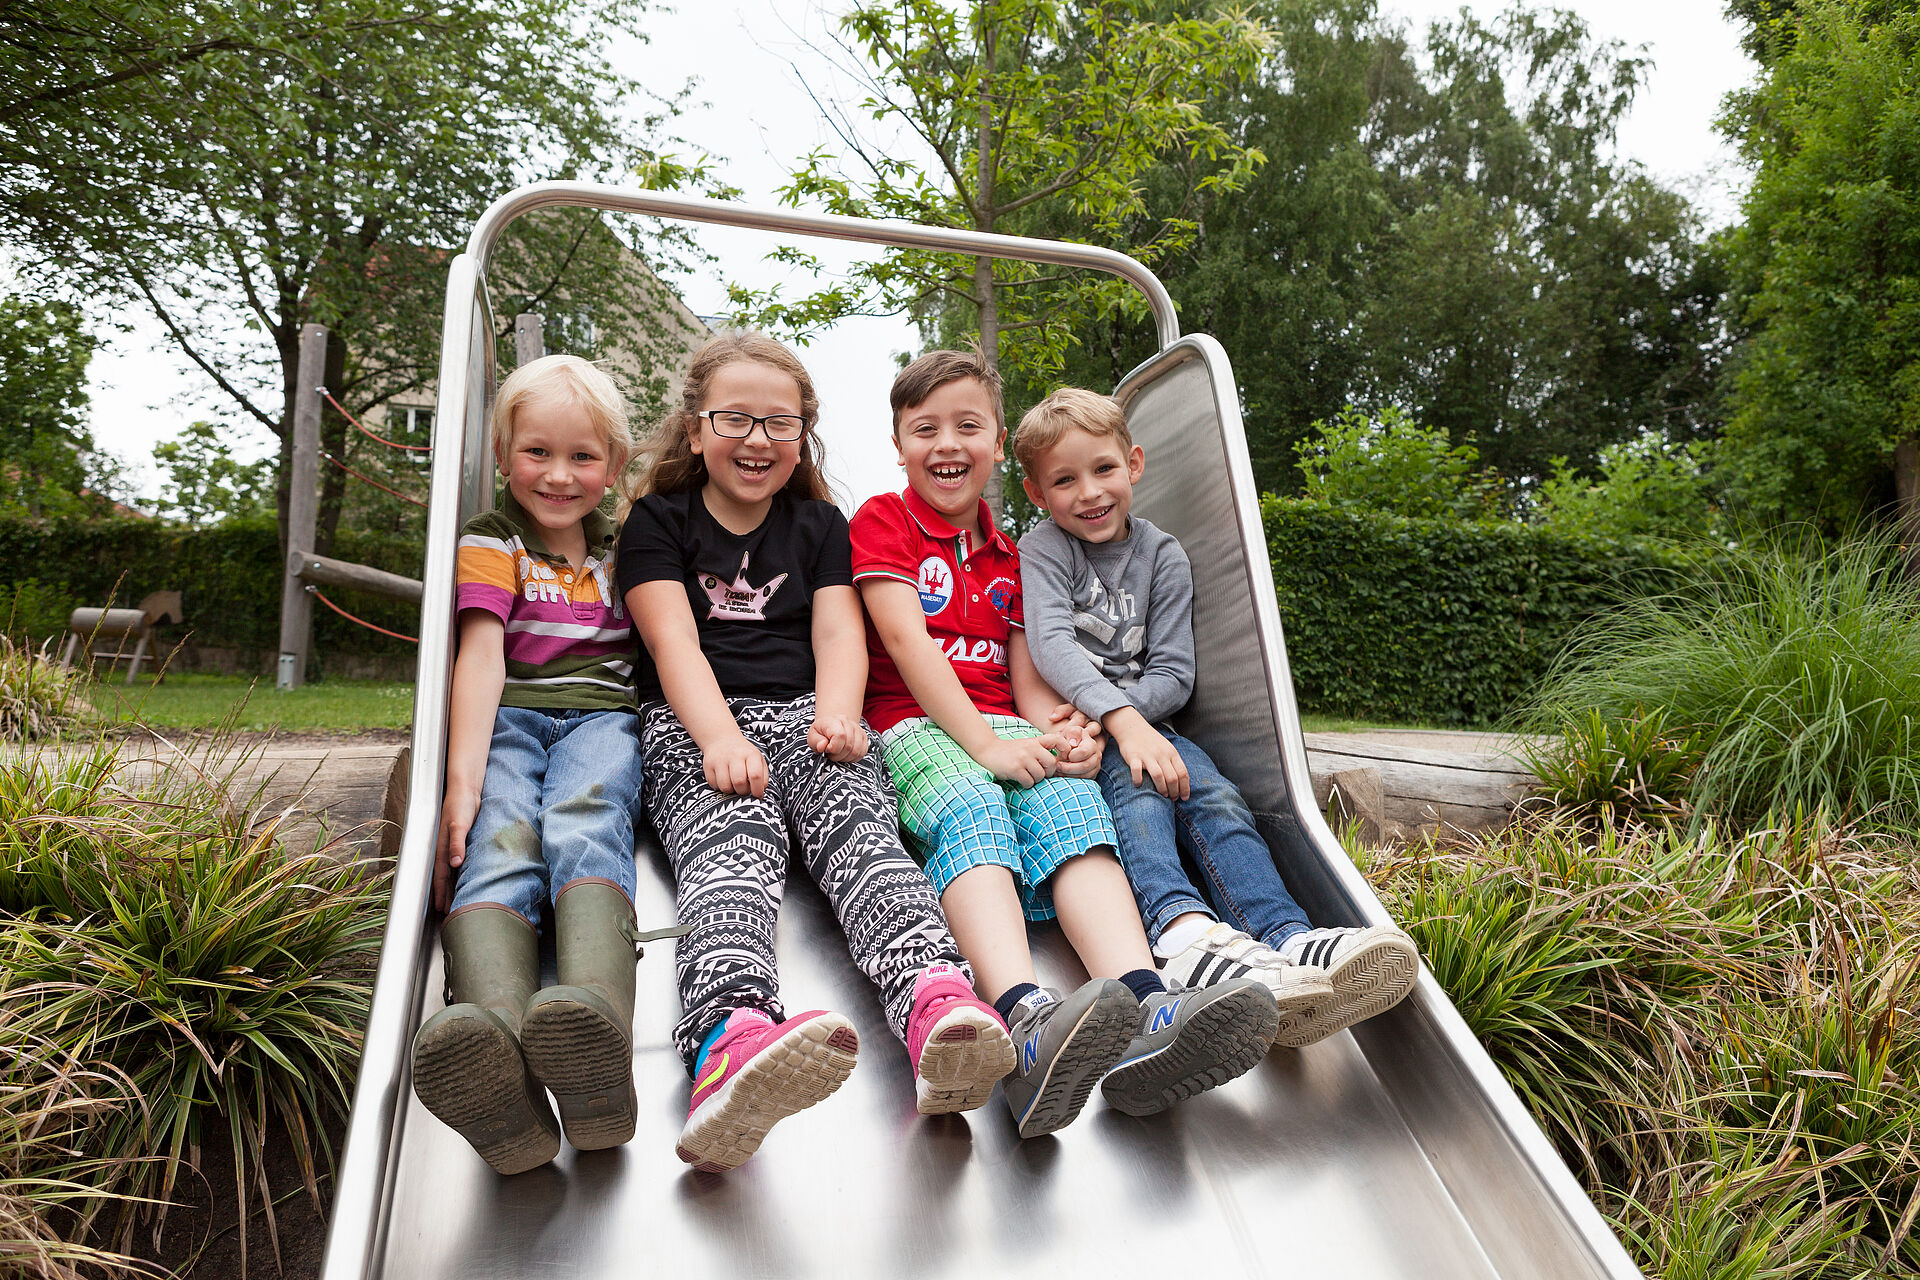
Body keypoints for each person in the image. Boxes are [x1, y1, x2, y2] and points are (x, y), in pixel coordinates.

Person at [851, 348, 1280, 1141]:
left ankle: (1149, 1005)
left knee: (1077, 813)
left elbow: (1028, 674)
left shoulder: (1013, 554)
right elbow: (908, 647)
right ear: (899, 444)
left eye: (967, 426)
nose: (947, 444)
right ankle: (1024, 1020)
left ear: (998, 439)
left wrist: (1067, 730)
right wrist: (983, 745)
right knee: (974, 806)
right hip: (914, 723)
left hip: (1003, 725)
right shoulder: (885, 520)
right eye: (925, 429)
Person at [617, 332, 1013, 1174]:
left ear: (803, 436)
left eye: (780, 424)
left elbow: (839, 628)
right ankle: (729, 1037)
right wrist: (717, 736)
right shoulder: (658, 522)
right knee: (731, 849)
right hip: (697, 721)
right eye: (736, 419)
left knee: (862, 833)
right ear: (695, 430)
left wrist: (838, 715)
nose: (758, 440)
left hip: (807, 714)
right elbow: (672, 641)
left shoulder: (819, 524)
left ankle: (935, 1002)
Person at [1014, 387, 1420, 1047]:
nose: (1088, 492)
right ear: (1037, 493)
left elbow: (1174, 674)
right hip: (1085, 734)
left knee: (1218, 801)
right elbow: (1052, 646)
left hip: (1150, 728)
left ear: (1135, 464)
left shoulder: (1163, 555)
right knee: (1142, 799)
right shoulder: (1045, 550)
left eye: (1104, 469)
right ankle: (1179, 932)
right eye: (1065, 480)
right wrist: (1116, 723)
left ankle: (1290, 939)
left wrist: (1133, 722)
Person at [415, 354, 654, 1175]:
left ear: (615, 468)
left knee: (586, 824)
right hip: (511, 717)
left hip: (601, 721)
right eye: (537, 452)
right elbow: (480, 657)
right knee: (497, 843)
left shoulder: (627, 549)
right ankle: (499, 1062)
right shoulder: (493, 540)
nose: (558, 475)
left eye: (583, 456)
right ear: (504, 453)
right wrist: (462, 780)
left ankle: (597, 1036)